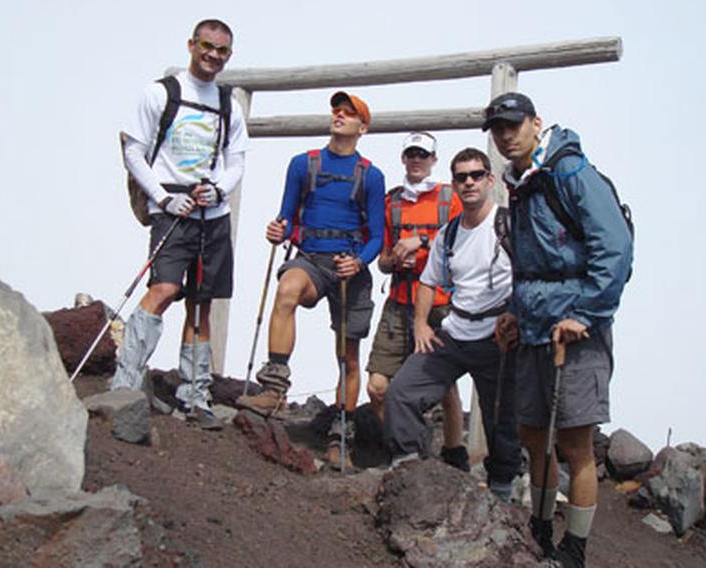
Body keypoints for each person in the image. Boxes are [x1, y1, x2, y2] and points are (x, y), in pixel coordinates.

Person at [484, 92, 632, 567]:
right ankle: (541, 531)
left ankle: (576, 550)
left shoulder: (570, 173)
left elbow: (615, 250)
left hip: (576, 333)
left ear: (535, 123)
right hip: (533, 329)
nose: (505, 135)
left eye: (513, 125)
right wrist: (512, 309)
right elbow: (528, 265)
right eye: (498, 128)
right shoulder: (520, 183)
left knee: (574, 444)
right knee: (531, 435)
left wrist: (585, 314)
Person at [110, 19, 248, 430]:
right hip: (172, 208)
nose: (213, 55)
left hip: (212, 213)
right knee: (165, 288)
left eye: (222, 50)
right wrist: (164, 197)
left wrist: (219, 191)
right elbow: (134, 151)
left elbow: (236, 160)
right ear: (192, 45)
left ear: (229, 54)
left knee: (202, 302)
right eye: (207, 46)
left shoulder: (228, 105)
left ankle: (195, 395)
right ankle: (125, 381)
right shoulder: (161, 93)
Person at [236, 92, 386, 468]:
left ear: (362, 128)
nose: (340, 115)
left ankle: (340, 438)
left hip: (350, 264)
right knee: (287, 290)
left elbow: (378, 237)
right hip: (312, 259)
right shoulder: (302, 165)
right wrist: (278, 230)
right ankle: (274, 388)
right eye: (337, 110)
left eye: (349, 113)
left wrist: (361, 261)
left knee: (347, 356)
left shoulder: (371, 175)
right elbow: (286, 217)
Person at [383, 147, 521, 501]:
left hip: (497, 335)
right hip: (455, 330)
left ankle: (502, 490)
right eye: (461, 177)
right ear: (454, 183)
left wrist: (517, 318)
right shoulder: (449, 234)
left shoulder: (510, 224)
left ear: (490, 180)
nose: (469, 183)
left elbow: (530, 276)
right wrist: (420, 324)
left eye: (476, 175)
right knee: (401, 392)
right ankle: (409, 469)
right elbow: (429, 280)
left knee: (500, 417)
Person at [365, 132, 470, 471]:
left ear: (433, 160)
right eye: (411, 153)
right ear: (403, 158)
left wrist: (420, 241)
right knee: (378, 386)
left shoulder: (449, 198)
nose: (416, 160)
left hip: (439, 303)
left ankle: (455, 454)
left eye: (422, 155)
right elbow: (381, 260)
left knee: (445, 386)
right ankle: (409, 448)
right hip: (398, 301)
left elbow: (466, 237)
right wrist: (394, 260)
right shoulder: (391, 202)